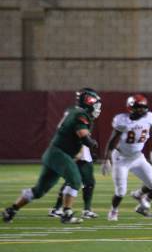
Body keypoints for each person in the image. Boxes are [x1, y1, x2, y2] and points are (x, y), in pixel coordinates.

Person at [3, 88, 102, 225]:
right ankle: (67, 213)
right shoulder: (81, 114)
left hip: (54, 153)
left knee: (39, 191)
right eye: (96, 104)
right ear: (89, 102)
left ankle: (11, 210)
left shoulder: (75, 112)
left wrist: (86, 151)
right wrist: (94, 144)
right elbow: (83, 136)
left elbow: (76, 139)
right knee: (75, 180)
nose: (97, 108)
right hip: (59, 154)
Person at [102, 95, 152, 221]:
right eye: (139, 107)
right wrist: (106, 158)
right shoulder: (122, 120)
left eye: (143, 107)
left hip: (138, 157)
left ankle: (138, 194)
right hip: (121, 158)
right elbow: (112, 140)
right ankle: (113, 211)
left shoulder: (149, 117)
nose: (142, 110)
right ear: (131, 107)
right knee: (120, 191)